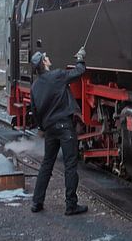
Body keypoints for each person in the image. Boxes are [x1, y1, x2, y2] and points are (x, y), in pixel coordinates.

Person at [29, 47, 88, 215]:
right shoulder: (57, 76)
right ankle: (71, 204)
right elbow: (79, 72)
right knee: (70, 165)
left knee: (47, 164)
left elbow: (35, 111)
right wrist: (80, 58)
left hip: (50, 129)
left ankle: (37, 202)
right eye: (45, 58)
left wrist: (43, 127)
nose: (48, 58)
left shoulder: (35, 87)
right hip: (64, 126)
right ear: (43, 63)